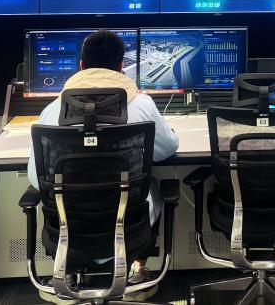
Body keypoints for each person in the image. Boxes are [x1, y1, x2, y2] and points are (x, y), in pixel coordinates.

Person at [27, 29, 178, 302]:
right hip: (128, 226)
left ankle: (69, 272)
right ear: (121, 67)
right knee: (152, 187)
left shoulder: (51, 111)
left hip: (68, 226)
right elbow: (167, 150)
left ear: (81, 65)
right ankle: (136, 273)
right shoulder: (141, 105)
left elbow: (36, 179)